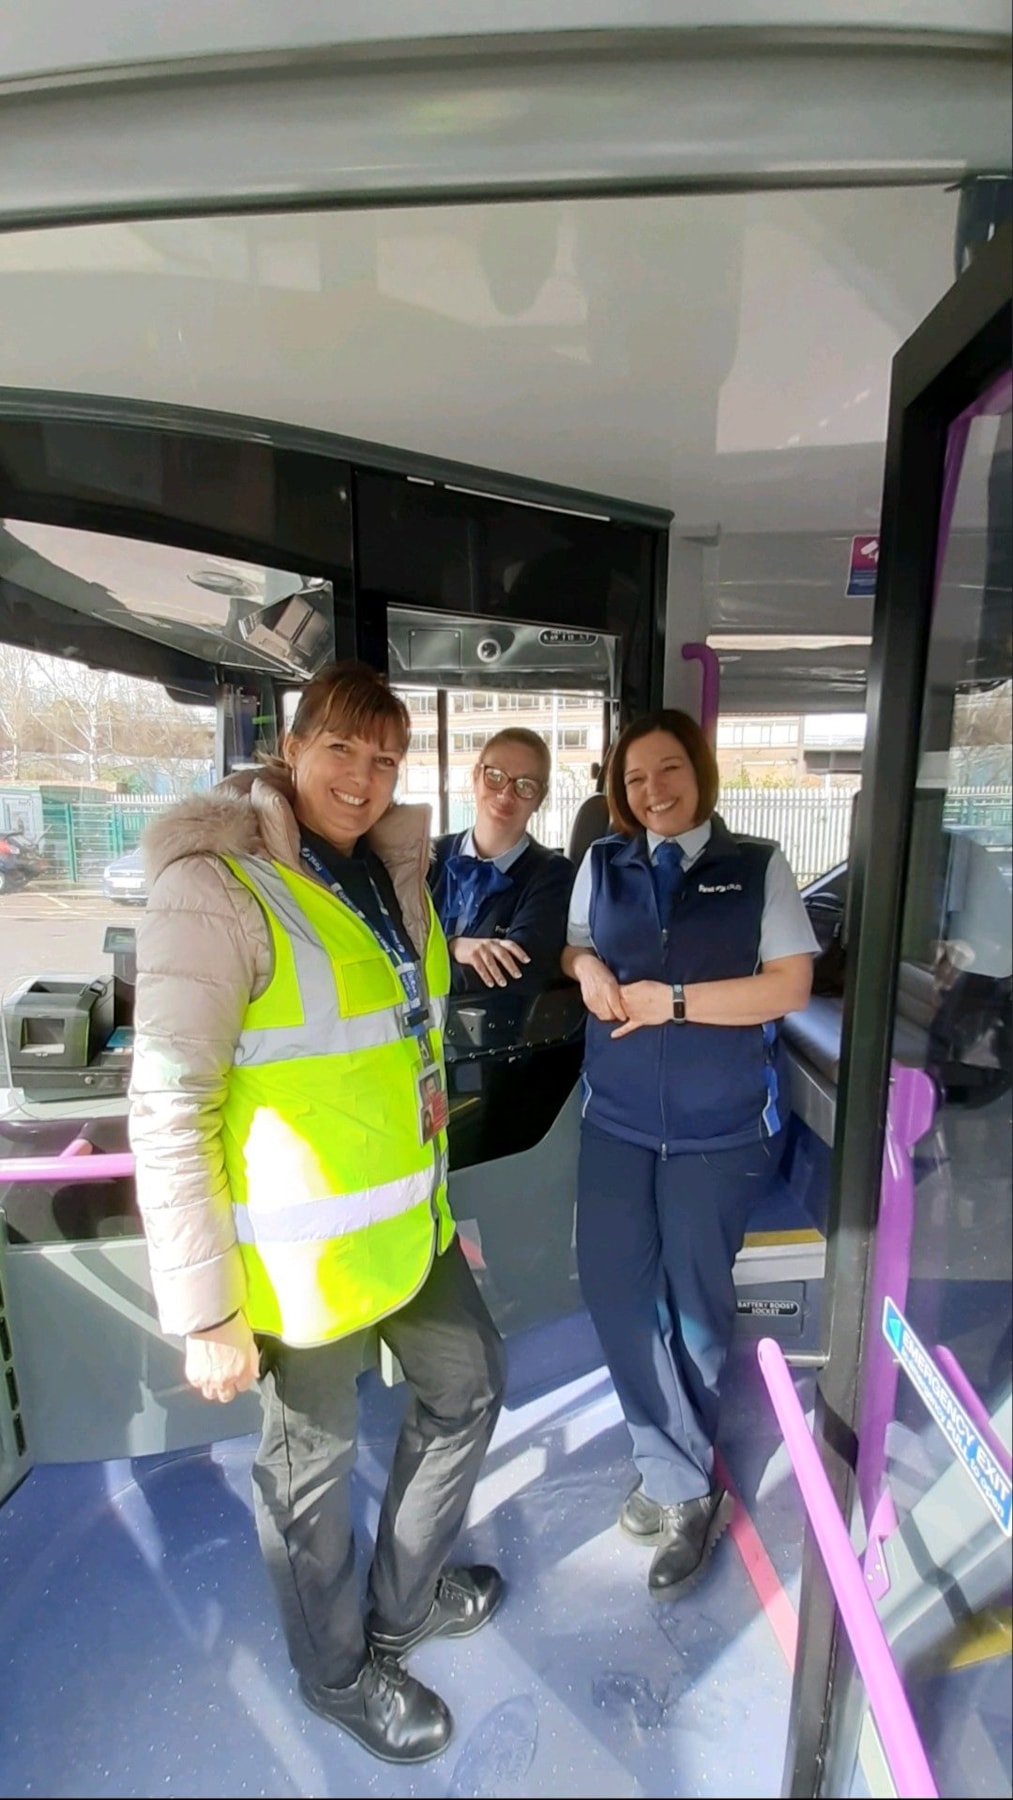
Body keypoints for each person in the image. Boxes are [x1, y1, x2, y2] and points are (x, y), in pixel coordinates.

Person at [128, 662, 506, 1765]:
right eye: (341, 749)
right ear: (291, 749)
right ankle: (337, 1674)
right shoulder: (215, 886)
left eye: (385, 758)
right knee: (310, 1474)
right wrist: (205, 1313)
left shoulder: (391, 875)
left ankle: (401, 1606)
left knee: (471, 1383)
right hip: (296, 1266)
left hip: (407, 1229)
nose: (362, 775)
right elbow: (167, 1102)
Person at [560, 709, 818, 1600]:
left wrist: (669, 1002)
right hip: (617, 1119)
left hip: (720, 1131)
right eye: (634, 782)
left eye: (667, 771)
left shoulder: (757, 866)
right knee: (615, 1291)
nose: (652, 792)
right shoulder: (604, 863)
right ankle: (675, 1472)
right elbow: (578, 945)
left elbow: (786, 985)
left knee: (693, 1310)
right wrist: (587, 972)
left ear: (698, 773)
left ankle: (677, 1489)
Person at [430, 727, 575, 1008]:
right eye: (494, 777)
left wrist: (424, 967)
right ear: (475, 777)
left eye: (525, 785)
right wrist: (453, 946)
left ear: (540, 799)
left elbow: (513, 972)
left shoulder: (554, 875)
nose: (506, 794)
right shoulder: (425, 856)